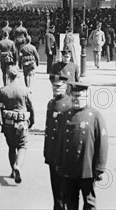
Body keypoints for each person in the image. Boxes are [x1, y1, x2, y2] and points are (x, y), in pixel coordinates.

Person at [55, 82, 108, 210]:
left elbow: (102, 143)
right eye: (73, 96)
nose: (76, 99)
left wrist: (100, 167)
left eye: (79, 96)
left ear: (86, 96)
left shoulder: (95, 116)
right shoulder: (66, 115)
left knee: (89, 203)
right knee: (70, 202)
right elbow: (60, 141)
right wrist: (59, 163)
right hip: (69, 168)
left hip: (87, 168)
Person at [0, 65, 34, 184]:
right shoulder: (24, 90)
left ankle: (13, 170)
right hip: (22, 123)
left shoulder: (3, 91)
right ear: (18, 75)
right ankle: (18, 166)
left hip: (9, 123)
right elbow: (30, 107)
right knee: (22, 146)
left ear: (8, 76)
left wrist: (0, 124)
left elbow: (1, 109)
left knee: (11, 147)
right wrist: (32, 121)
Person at [44, 75, 72, 210]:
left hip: (64, 153)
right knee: (55, 188)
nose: (57, 89)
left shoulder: (69, 104)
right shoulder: (51, 103)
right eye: (54, 86)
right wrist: (46, 151)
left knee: (64, 189)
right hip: (52, 152)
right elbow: (48, 129)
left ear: (66, 87)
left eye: (60, 86)